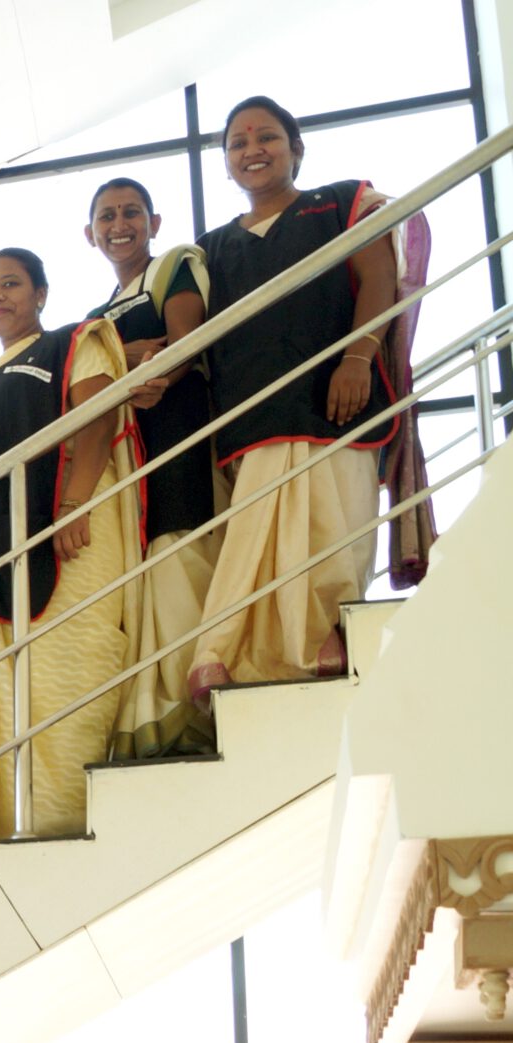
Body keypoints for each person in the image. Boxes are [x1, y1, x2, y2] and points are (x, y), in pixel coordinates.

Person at [0, 248, 139, 850]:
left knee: (68, 679)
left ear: (41, 293)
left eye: (10, 284)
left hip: (69, 535)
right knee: (8, 696)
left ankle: (65, 822)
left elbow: (98, 416)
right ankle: (6, 826)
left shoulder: (74, 341)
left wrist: (74, 503)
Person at [192, 95, 401, 699]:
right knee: (252, 544)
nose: (252, 150)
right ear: (226, 163)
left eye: (267, 137)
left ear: (296, 148)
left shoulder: (340, 203)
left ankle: (326, 636)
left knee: (336, 525)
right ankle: (222, 652)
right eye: (237, 143)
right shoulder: (211, 248)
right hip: (253, 414)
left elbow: (379, 278)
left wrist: (357, 358)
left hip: (337, 399)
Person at [90, 176, 221, 758]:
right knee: (142, 577)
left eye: (131, 213)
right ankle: (153, 712)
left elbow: (186, 342)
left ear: (154, 222)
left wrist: (149, 367)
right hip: (126, 454)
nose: (119, 225)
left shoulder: (173, 267)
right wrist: (130, 357)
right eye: (107, 216)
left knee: (180, 557)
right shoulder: (95, 315)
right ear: (90, 233)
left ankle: (194, 708)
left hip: (177, 431)